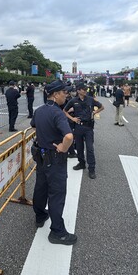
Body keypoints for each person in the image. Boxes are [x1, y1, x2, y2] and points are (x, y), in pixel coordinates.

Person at [30, 80, 76, 245]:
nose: (66, 95)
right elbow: (69, 136)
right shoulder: (58, 113)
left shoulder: (40, 110)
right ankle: (57, 232)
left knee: (41, 187)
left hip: (41, 155)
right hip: (55, 159)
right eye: (64, 92)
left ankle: (40, 215)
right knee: (56, 194)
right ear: (56, 94)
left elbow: (34, 126)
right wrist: (64, 147)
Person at [64, 82, 104, 179]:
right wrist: (72, 119)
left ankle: (92, 169)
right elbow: (64, 111)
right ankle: (81, 163)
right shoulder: (73, 101)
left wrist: (94, 112)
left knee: (90, 148)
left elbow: (102, 107)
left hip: (88, 128)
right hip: (78, 127)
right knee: (79, 147)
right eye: (83, 89)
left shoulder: (90, 99)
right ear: (78, 90)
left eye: (86, 89)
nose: (85, 91)